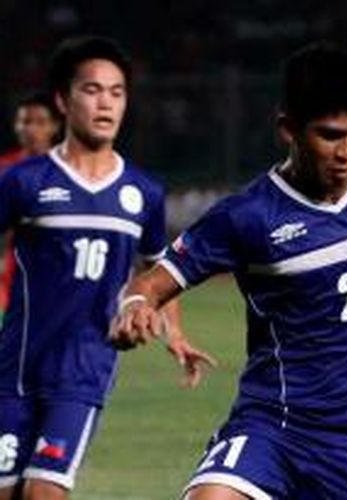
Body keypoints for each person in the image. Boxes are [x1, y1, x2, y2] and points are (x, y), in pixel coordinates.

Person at [111, 42, 347, 500]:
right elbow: (154, 280)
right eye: (331, 135)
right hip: (275, 427)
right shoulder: (248, 216)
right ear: (288, 129)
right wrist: (136, 304)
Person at [0, 36, 211, 500]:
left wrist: (173, 333)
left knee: (43, 492)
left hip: (83, 370)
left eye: (117, 93)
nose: (106, 103)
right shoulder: (24, 181)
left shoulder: (143, 192)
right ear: (64, 100)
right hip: (13, 367)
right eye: (92, 90)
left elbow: (158, 270)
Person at [0, 91, 62, 318]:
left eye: (40, 122)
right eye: (25, 121)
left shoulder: (67, 170)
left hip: (60, 277)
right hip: (12, 279)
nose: (31, 129)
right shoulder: (5, 169)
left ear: (55, 126)